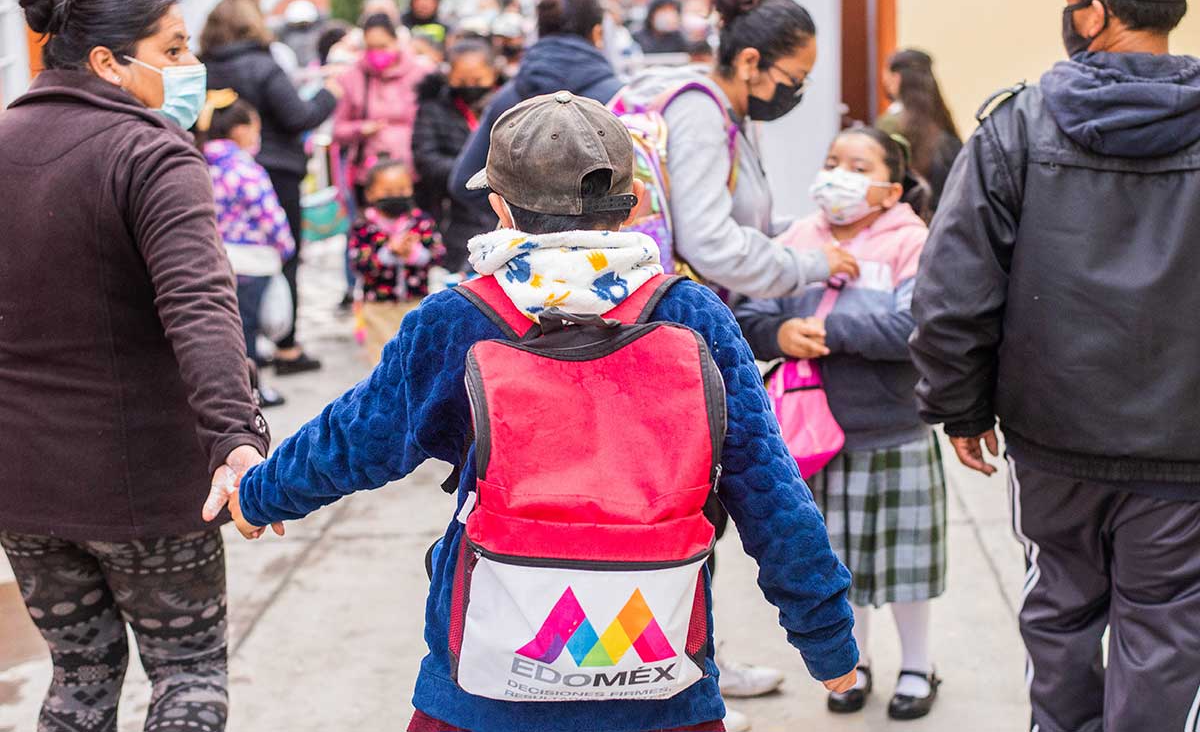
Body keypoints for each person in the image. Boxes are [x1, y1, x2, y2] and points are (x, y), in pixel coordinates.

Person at [212, 90, 858, 732]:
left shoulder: (460, 318)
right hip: (659, 678)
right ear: (635, 203)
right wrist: (825, 636)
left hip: (486, 686)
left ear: (498, 207)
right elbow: (767, 484)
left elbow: (358, 437)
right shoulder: (690, 314)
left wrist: (261, 494)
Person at [909, 0, 1200, 731]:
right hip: (1184, 451)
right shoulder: (1019, 126)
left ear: (1095, 12)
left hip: (1054, 443)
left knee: (1061, 617)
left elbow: (953, 290)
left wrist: (961, 407)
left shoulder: (1016, 126)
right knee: (1165, 633)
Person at [1, 0, 272, 731]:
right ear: (106, 62)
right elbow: (201, 305)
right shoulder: (151, 152)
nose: (190, 66)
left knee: (78, 679)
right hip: (143, 483)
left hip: (23, 486)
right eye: (173, 49)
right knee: (189, 676)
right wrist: (235, 438)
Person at [736, 128, 945, 721]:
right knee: (837, 561)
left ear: (891, 189)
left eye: (858, 166)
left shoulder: (912, 242)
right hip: (812, 437)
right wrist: (779, 333)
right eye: (832, 161)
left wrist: (827, 332)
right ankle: (856, 663)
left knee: (904, 562)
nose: (838, 175)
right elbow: (749, 314)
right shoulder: (797, 240)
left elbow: (917, 326)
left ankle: (918, 664)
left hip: (892, 428)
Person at [618, 0, 858, 300]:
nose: (797, 91)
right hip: (682, 309)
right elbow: (709, 241)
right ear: (749, 63)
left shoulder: (728, 113)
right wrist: (810, 265)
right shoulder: (700, 116)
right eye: (795, 79)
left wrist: (807, 232)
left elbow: (741, 217)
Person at [202, 0, 339, 375]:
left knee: (225, 260)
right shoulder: (264, 66)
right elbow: (299, 116)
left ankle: (243, 344)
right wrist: (330, 94)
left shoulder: (201, 67)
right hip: (275, 171)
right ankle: (286, 346)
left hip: (214, 171)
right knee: (283, 260)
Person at [450, 0, 624, 220]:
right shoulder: (617, 99)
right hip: (601, 238)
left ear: (539, 30)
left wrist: (524, 216)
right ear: (597, 33)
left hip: (525, 238)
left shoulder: (509, 98)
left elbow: (465, 182)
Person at [196, 91, 295, 408]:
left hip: (219, 259)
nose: (257, 136)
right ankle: (252, 392)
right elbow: (269, 215)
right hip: (253, 262)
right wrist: (286, 246)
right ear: (239, 130)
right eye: (255, 129)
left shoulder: (200, 165)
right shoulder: (245, 169)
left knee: (232, 329)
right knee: (249, 331)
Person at [413, 38, 502, 272]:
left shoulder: (507, 105)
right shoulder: (433, 109)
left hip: (502, 209)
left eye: (477, 80)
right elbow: (426, 159)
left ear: (493, 73)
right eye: (462, 81)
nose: (470, 86)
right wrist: (471, 174)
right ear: (448, 75)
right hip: (452, 212)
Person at [349, 160, 444, 365]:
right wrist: (389, 252)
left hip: (416, 302)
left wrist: (414, 253)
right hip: (378, 307)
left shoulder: (421, 222)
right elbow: (358, 263)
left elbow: (437, 254)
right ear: (370, 194)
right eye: (388, 191)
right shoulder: (364, 226)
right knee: (382, 360)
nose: (396, 196)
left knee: (416, 357)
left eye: (402, 190)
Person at [333, 13, 433, 201]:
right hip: (370, 175)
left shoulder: (422, 74)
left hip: (415, 173)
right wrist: (361, 128)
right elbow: (337, 130)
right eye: (370, 47)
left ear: (396, 42)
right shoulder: (352, 77)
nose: (377, 53)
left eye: (383, 46)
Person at [876, 50, 963, 210]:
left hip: (902, 214)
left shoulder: (890, 123)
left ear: (896, 78)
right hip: (946, 214)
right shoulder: (943, 121)